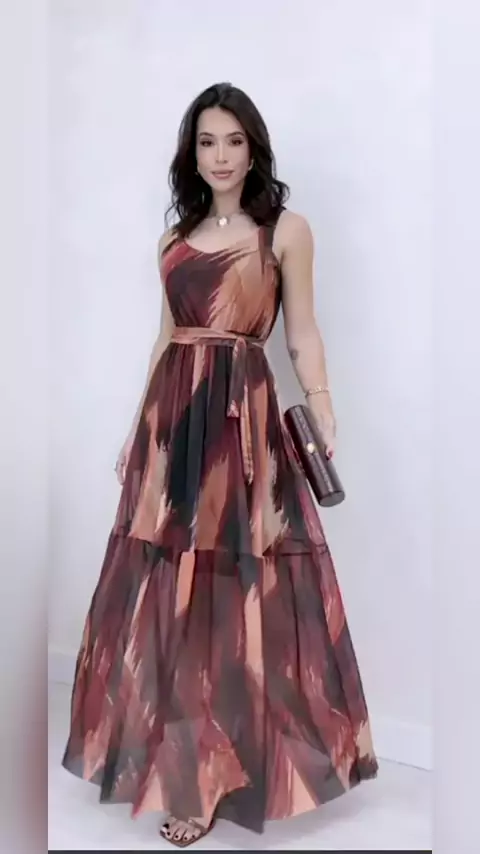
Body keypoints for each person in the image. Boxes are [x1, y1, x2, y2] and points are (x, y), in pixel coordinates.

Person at [62, 82, 378, 848]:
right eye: (207, 142)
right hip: (175, 425)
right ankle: (190, 765)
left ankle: (217, 768)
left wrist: (323, 402)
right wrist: (137, 433)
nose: (221, 156)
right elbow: (165, 340)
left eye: (234, 141)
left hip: (242, 422)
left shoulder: (285, 232)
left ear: (254, 148)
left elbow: (301, 331)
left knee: (234, 595)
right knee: (171, 596)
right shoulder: (173, 241)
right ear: (192, 153)